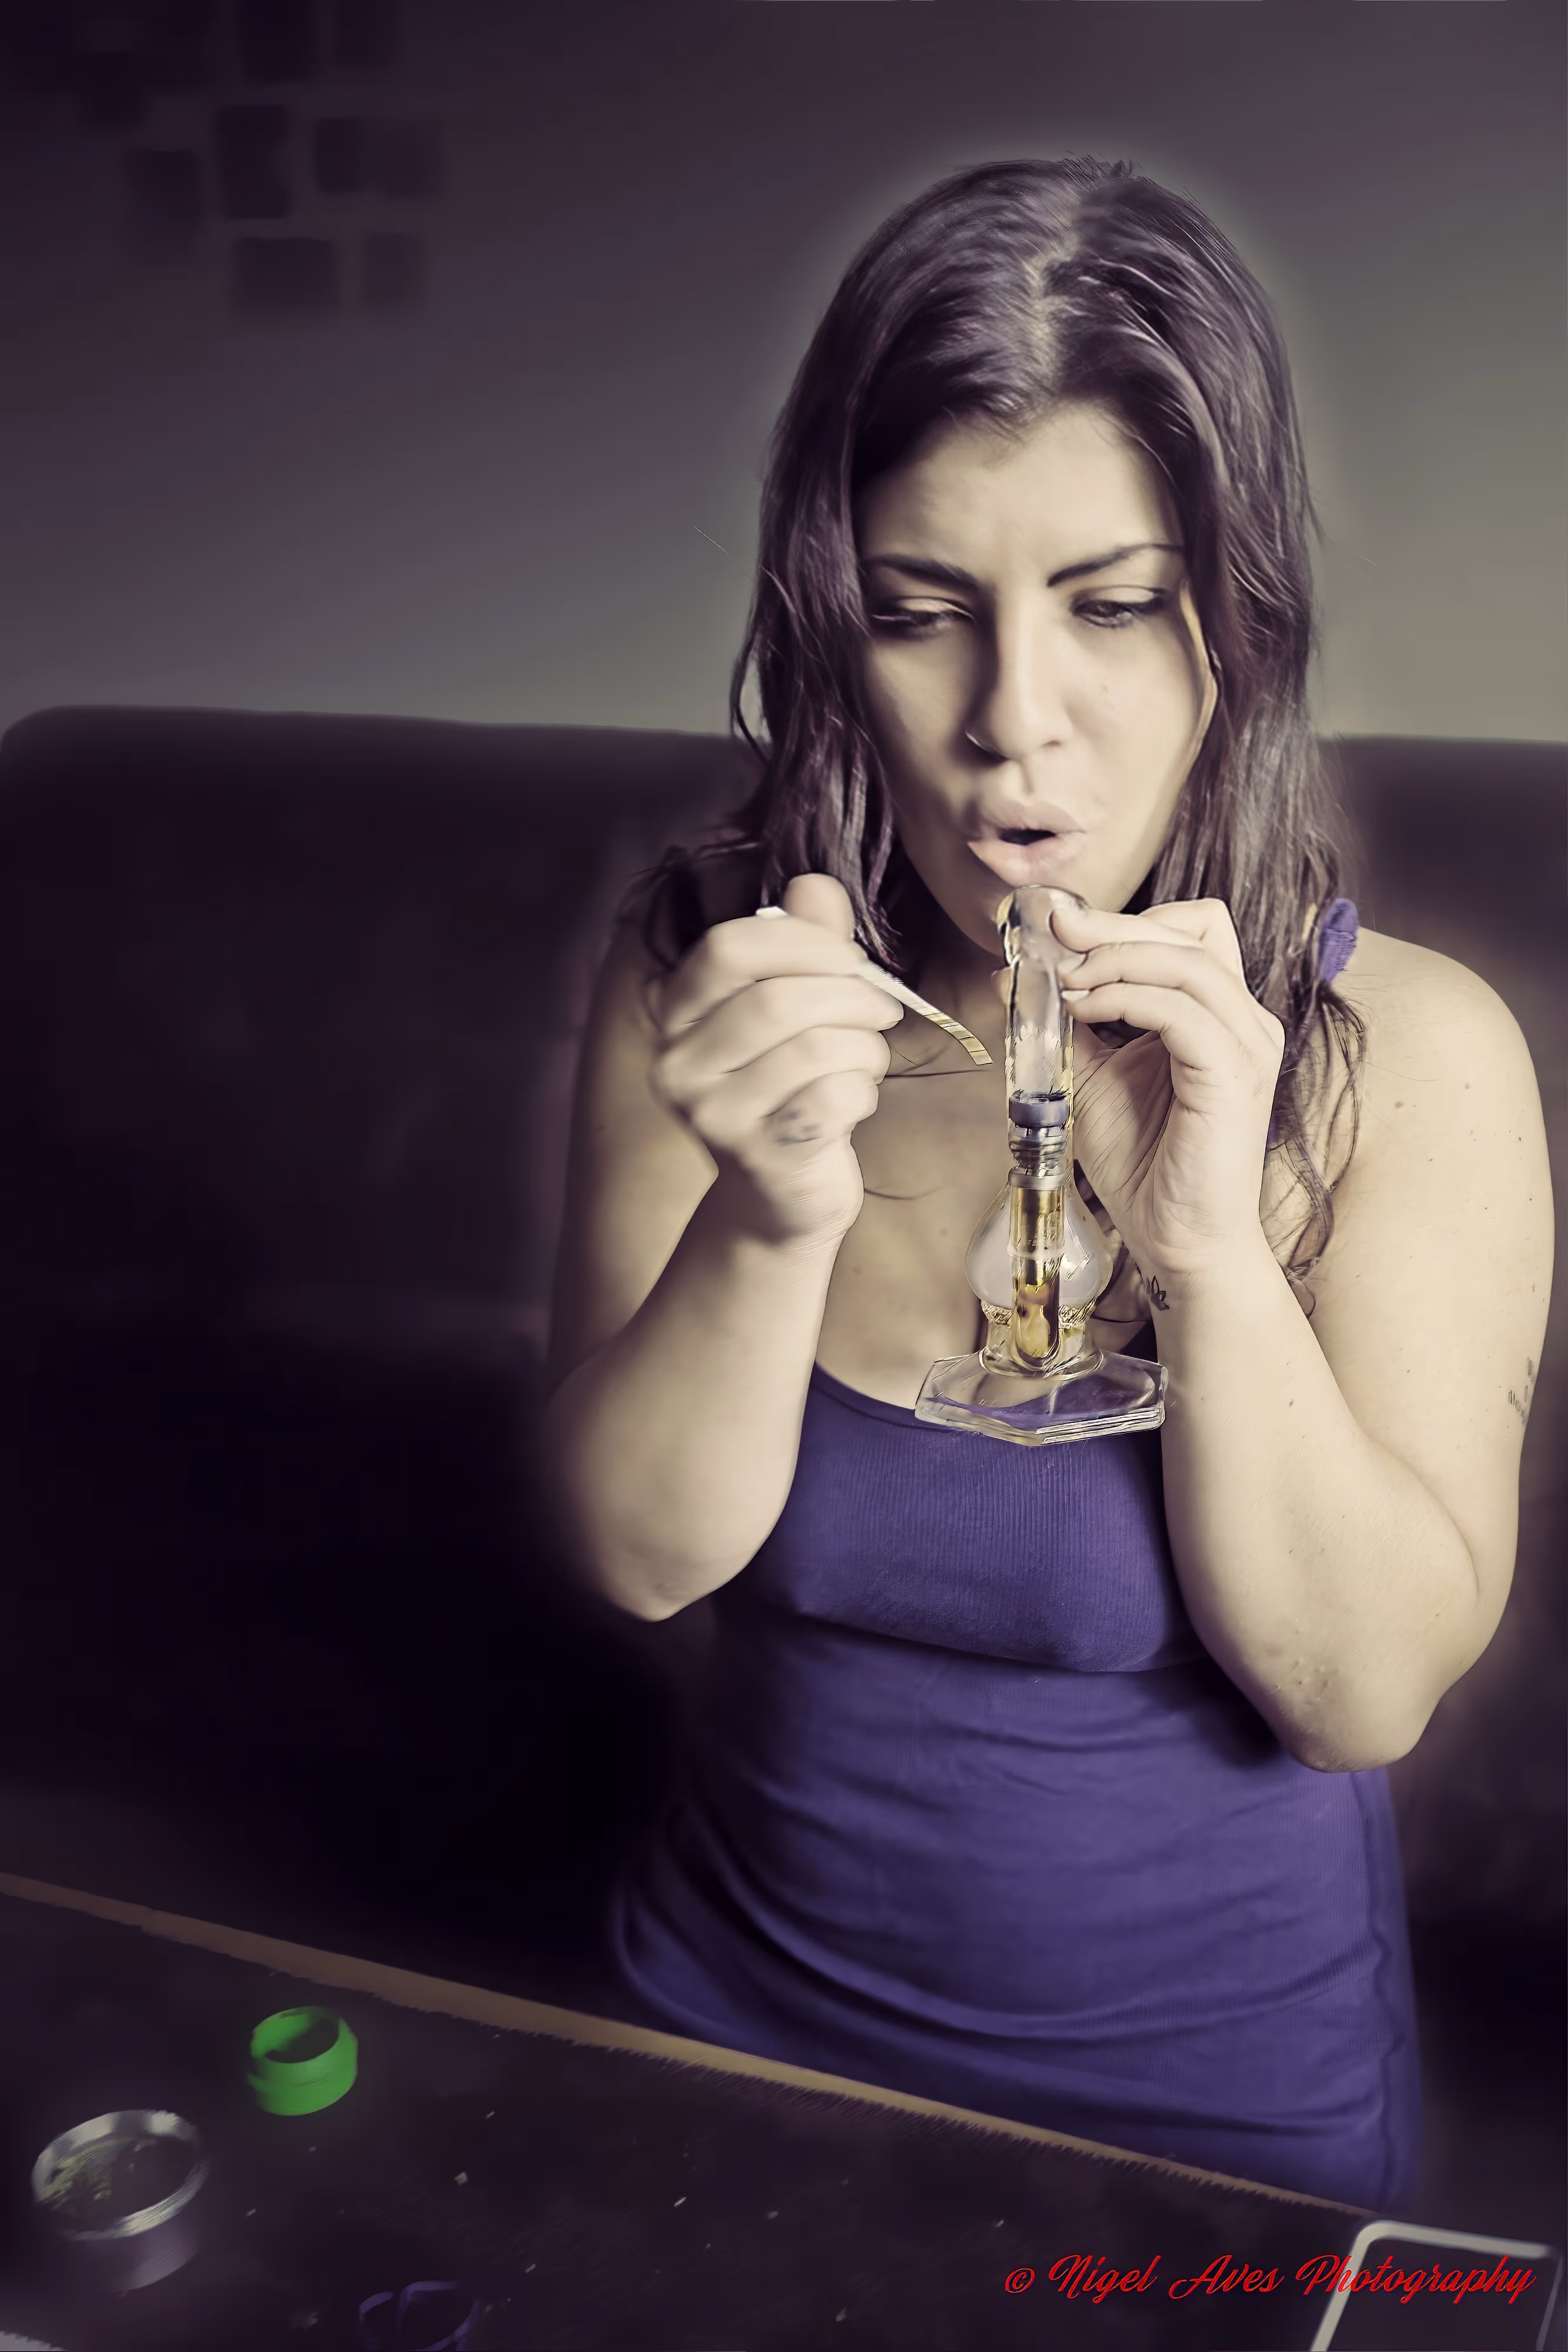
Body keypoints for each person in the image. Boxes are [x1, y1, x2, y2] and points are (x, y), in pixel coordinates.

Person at [535, 157, 1552, 2209]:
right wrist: (770, 1217)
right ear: (837, 637)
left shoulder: (1415, 1056)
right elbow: (636, 1560)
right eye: (922, 616)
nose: (1014, 723)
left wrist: (1213, 1257)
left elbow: (1357, 1695)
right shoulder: (714, 978)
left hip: (1210, 2146)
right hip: (714, 2043)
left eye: (1108, 605)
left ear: (1234, 627)